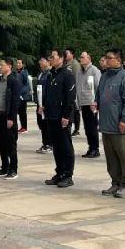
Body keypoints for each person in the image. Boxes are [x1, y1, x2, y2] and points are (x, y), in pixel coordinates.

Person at [93, 49, 125, 198]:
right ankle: (115, 182)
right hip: (106, 124)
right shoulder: (105, 76)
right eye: (105, 57)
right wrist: (96, 103)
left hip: (120, 126)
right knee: (111, 158)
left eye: (109, 58)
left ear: (118, 60)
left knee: (123, 156)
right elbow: (99, 94)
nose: (106, 60)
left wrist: (124, 119)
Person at [42, 49, 77, 188]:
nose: (50, 59)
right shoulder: (51, 75)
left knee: (66, 146)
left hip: (62, 116)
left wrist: (66, 115)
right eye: (50, 57)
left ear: (61, 58)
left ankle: (68, 175)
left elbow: (70, 97)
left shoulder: (67, 75)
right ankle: (60, 172)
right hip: (51, 115)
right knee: (56, 146)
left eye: (53, 57)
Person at [0, 58, 22, 179]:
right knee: (0, 143)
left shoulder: (14, 81)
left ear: (9, 66)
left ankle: (13, 169)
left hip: (7, 117)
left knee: (10, 144)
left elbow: (15, 101)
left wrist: (11, 118)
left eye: (2, 65)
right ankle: (4, 167)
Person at [77, 52, 102, 158]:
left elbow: (98, 87)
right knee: (87, 128)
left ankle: (95, 149)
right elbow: (78, 87)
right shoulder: (79, 72)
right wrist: (78, 102)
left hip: (91, 103)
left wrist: (96, 102)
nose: (81, 59)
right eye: (80, 57)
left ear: (89, 58)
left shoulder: (94, 70)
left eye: (83, 57)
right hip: (83, 103)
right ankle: (90, 147)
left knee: (92, 127)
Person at [34, 56, 53, 154]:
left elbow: (49, 90)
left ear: (48, 62)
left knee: (46, 125)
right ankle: (45, 143)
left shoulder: (50, 74)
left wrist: (44, 104)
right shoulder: (40, 74)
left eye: (42, 60)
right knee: (41, 124)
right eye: (40, 61)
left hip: (46, 104)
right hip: (39, 103)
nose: (40, 62)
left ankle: (50, 144)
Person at [65, 49, 82, 136]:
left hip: (74, 89)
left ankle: (77, 129)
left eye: (67, 53)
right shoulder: (66, 64)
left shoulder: (75, 64)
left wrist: (76, 90)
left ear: (72, 54)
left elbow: (77, 77)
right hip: (67, 90)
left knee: (75, 110)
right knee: (71, 110)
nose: (65, 54)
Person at [15, 59, 32, 133]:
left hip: (23, 96)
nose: (18, 64)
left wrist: (20, 93)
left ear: (23, 64)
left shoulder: (24, 72)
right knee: (19, 112)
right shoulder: (15, 72)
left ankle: (24, 127)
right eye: (17, 63)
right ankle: (21, 126)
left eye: (19, 63)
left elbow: (26, 85)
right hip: (17, 95)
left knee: (22, 112)